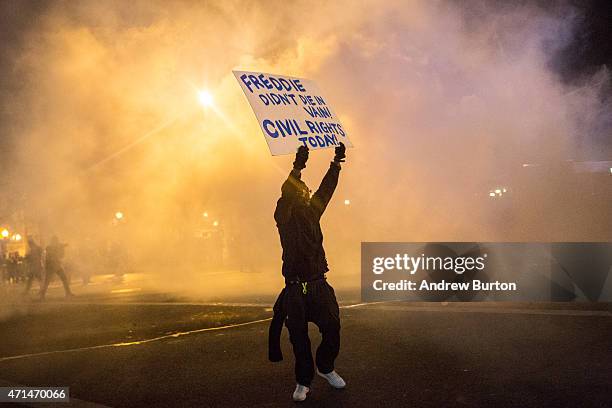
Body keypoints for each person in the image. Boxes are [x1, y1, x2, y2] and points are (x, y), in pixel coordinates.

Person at [273, 142, 347, 402]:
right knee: (299, 338)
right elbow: (286, 194)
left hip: (318, 283)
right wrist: (297, 168)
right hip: (295, 287)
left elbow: (327, 190)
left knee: (332, 326)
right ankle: (303, 382)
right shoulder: (284, 216)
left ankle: (326, 367)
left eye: (306, 192)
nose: (306, 194)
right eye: (301, 191)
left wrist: (336, 164)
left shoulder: (312, 213)